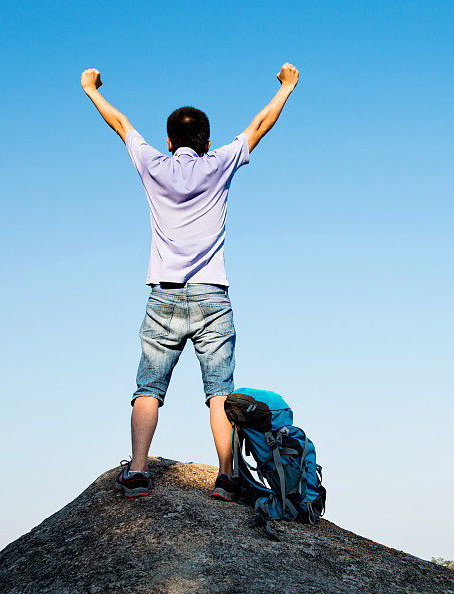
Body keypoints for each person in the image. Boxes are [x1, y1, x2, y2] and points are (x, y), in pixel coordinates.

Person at [80, 62, 300, 500]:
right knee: (219, 392)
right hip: (212, 294)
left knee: (148, 388)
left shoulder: (153, 164)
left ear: (168, 140)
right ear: (207, 141)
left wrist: (91, 89)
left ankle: (138, 472)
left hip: (163, 295)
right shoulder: (218, 164)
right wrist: (287, 87)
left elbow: (121, 123)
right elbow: (259, 125)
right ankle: (226, 477)